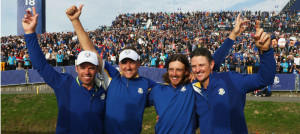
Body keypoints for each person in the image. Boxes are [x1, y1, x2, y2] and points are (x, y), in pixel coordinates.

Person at [147, 12, 249, 134]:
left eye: (179, 70)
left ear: (186, 72)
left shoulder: (193, 87)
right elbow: (134, 99)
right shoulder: (158, 91)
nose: (174, 73)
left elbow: (212, 62)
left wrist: (232, 35)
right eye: (171, 69)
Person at [66, 5, 157, 134]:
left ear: (139, 63)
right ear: (119, 64)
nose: (128, 67)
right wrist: (75, 21)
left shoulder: (148, 84)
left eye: (131, 63)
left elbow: (167, 96)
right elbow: (91, 52)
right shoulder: (113, 77)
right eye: (124, 63)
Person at [22, 7, 106, 133]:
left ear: (97, 69)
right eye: (83, 67)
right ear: (76, 69)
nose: (87, 72)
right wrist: (30, 33)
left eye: (91, 68)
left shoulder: (102, 93)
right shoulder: (64, 84)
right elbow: (41, 65)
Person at [191, 20, 276, 134]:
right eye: (194, 66)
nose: (197, 70)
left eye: (201, 65)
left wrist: (265, 51)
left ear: (211, 65)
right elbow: (195, 121)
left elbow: (265, 79)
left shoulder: (232, 80)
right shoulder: (193, 89)